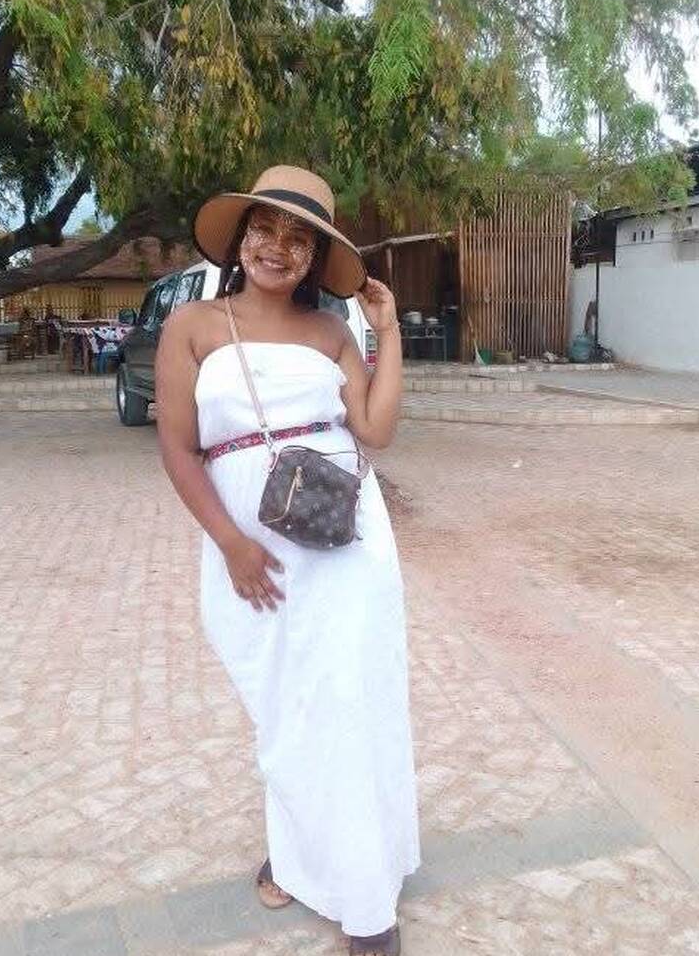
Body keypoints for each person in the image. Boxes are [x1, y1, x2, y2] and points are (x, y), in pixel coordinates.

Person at [155, 166, 420, 956]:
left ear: (315, 257)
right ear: (241, 240)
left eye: (298, 238)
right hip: (251, 545)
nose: (278, 247)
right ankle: (307, 852)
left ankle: (366, 901)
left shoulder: (333, 333)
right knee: (284, 709)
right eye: (265, 230)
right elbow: (178, 447)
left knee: (347, 702)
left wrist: (387, 331)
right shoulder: (193, 325)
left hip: (345, 541)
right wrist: (231, 543)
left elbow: (375, 430)